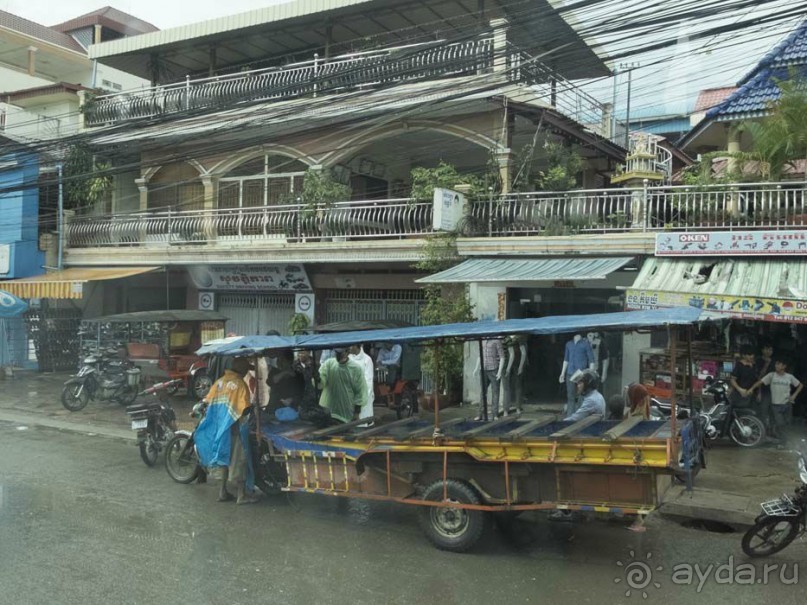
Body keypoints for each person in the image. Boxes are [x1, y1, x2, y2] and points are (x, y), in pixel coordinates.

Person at [195, 357, 260, 505]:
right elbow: (244, 409)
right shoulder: (240, 384)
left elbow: (208, 400)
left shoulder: (219, 383)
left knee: (223, 458)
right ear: (243, 369)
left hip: (219, 429)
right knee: (239, 459)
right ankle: (241, 495)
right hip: (235, 428)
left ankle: (222, 491)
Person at [751, 358, 803, 445]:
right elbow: (760, 382)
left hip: (787, 404)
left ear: (784, 366)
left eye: (779, 364)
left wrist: (794, 395)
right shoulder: (771, 375)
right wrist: (751, 389)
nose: (776, 366)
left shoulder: (789, 377)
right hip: (776, 405)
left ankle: (784, 441)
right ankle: (782, 441)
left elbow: (800, 385)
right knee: (780, 423)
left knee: (786, 424)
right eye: (776, 364)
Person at [319, 348, 366, 424]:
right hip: (327, 410)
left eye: (341, 353)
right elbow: (320, 384)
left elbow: (360, 392)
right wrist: (317, 378)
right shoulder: (328, 364)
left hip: (345, 412)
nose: (339, 356)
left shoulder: (356, 369)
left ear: (348, 353)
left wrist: (357, 412)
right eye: (337, 354)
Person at [559, 334, 595, 417]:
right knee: (570, 396)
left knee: (581, 396)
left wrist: (590, 374)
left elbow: (591, 360)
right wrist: (562, 373)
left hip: (581, 374)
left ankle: (579, 417)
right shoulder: (568, 344)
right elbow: (566, 359)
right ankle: (570, 417)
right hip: (570, 373)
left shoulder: (585, 344)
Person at [349, 344, 375, 427]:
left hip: (364, 396)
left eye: (351, 346)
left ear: (357, 347)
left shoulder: (367, 360)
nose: (350, 348)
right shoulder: (349, 358)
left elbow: (369, 381)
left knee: (364, 421)